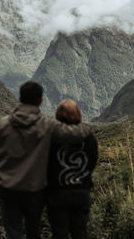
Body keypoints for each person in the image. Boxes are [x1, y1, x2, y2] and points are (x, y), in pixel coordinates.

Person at [0, 81, 91, 239]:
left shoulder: (3, 124)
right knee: (33, 231)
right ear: (41, 100)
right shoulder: (47, 124)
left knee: (13, 231)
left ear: (20, 97)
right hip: (34, 190)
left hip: (7, 188)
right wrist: (87, 127)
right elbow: (75, 133)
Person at [47, 99, 98, 239]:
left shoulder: (51, 137)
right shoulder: (89, 137)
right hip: (81, 191)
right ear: (78, 114)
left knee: (59, 234)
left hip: (57, 193)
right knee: (80, 233)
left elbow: (46, 163)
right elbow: (92, 161)